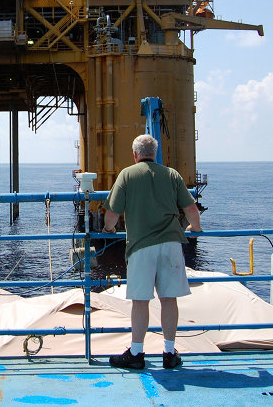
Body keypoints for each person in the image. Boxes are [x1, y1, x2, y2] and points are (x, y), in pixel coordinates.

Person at [102, 134, 202, 370]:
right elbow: (191, 208)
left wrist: (109, 228)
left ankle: (137, 353)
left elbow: (112, 214)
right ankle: (169, 352)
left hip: (140, 246)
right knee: (169, 300)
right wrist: (194, 228)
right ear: (155, 153)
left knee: (140, 301)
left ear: (135, 154)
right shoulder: (172, 175)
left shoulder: (127, 175)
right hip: (170, 244)